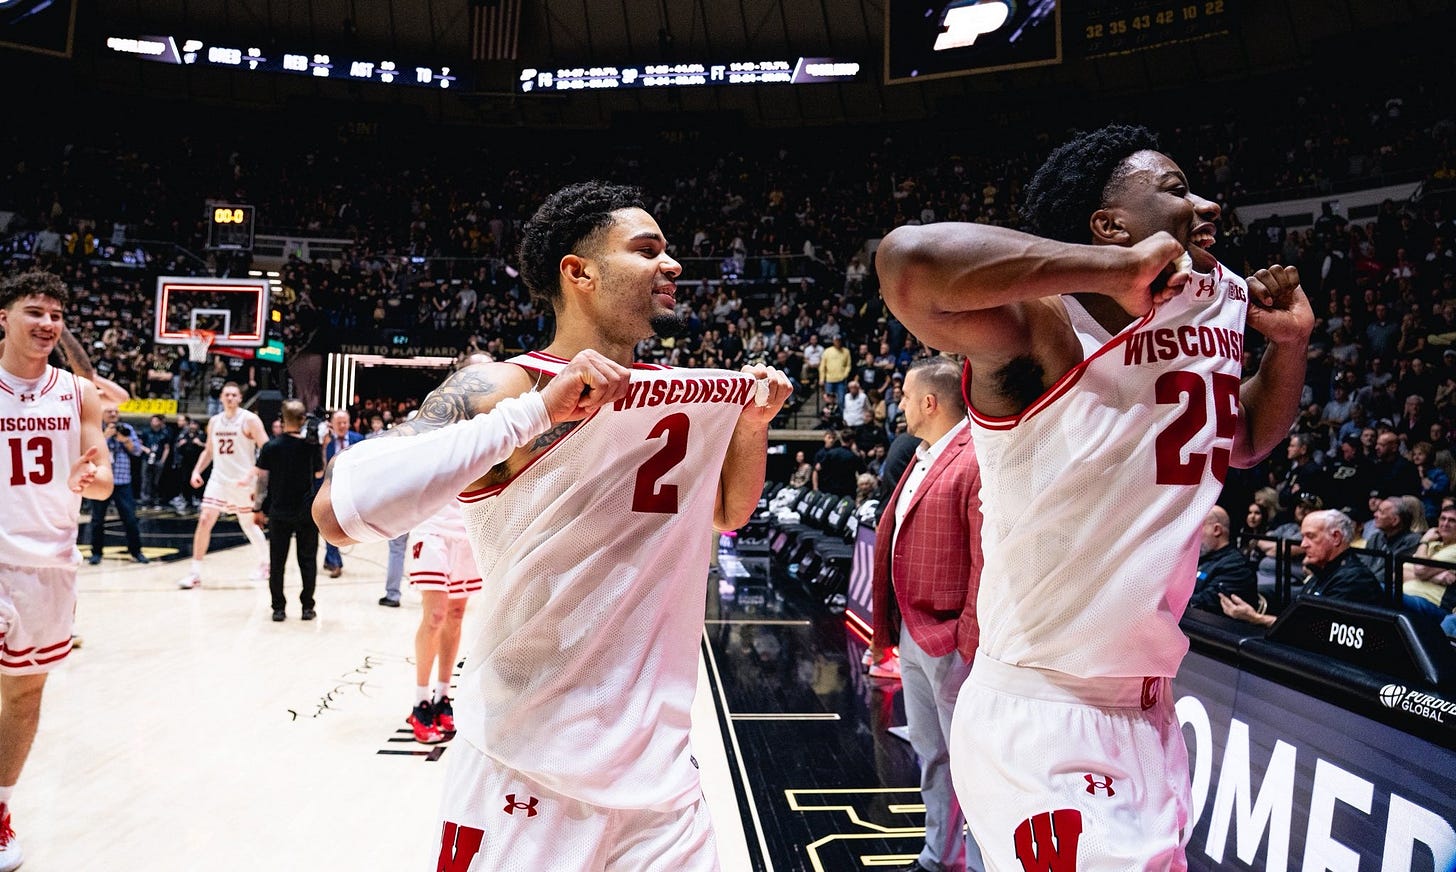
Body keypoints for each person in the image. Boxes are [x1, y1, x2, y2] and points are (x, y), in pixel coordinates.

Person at [312, 181, 791, 869]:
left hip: (663, 783)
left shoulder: (686, 391)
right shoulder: (506, 386)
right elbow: (336, 511)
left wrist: (751, 425)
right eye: (647, 250)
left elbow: (726, 512)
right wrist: (536, 413)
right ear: (580, 272)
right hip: (525, 766)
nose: (673, 265)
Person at [876, 124, 1311, 869]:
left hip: (1148, 709)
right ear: (1109, 225)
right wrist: (1111, 271)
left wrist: (1289, 348)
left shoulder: (1203, 316)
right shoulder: (1044, 329)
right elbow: (907, 263)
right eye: (1176, 191)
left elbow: (1242, 442)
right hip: (1048, 709)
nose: (1207, 205)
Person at [0, 269, 112, 872]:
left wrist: (92, 479)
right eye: (34, 312)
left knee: (23, 692)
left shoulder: (77, 393)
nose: (47, 324)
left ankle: (0, 811)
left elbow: (102, 482)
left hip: (48, 564)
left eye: (56, 315)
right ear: (4, 317)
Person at [867, 356, 983, 872]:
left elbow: (986, 557)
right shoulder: (920, 453)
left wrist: (967, 633)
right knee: (932, 754)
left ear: (930, 403)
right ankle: (940, 856)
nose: (901, 405)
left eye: (907, 397)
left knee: (974, 763)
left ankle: (983, 861)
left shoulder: (974, 455)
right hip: (913, 630)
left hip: (949, 636)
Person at [176, 382, 269, 589]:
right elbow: (209, 451)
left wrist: (252, 473)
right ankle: (195, 573)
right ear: (221, 398)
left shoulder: (250, 420)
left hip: (243, 482)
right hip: (218, 480)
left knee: (249, 525)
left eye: (234, 395)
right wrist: (196, 471)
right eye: (226, 394)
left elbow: (267, 449)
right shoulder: (214, 421)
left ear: (239, 398)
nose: (229, 398)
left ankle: (266, 563)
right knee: (205, 519)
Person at [1222, 510, 1386, 626]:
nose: (1303, 544)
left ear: (1336, 537)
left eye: (1311, 536)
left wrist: (1257, 618)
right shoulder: (1323, 572)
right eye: (1303, 537)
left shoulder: (1354, 579)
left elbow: (1313, 630)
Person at [403, 501, 480, 744]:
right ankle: (420, 702)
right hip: (430, 525)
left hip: (466, 525)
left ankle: (442, 697)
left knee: (456, 614)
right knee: (435, 616)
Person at [253, 400, 323, 621]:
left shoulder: (270, 447)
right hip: (306, 511)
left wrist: (257, 508)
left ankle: (278, 608)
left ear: (282, 420)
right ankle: (307, 607)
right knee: (308, 560)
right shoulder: (311, 446)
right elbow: (320, 474)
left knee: (278, 561)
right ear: (303, 420)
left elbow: (262, 482)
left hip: (279, 510)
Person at [85, 405, 149, 565]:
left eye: (115, 411)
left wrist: (125, 440)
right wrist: (105, 437)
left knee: (130, 519)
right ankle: (96, 553)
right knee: (97, 520)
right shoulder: (95, 429)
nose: (113, 414)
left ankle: (136, 552)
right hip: (100, 480)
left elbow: (137, 452)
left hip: (122, 481)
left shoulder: (126, 428)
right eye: (109, 411)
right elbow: (89, 452)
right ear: (101, 413)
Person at [363, 412, 407, 607]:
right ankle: (432, 591)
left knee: (397, 550)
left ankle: (393, 594)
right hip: (427, 505)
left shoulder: (389, 451)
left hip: (401, 505)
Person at [1189, 506, 1257, 614]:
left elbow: (1205, 603)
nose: (1193, 535)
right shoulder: (1202, 558)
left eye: (1198, 528)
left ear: (1216, 530)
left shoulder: (1236, 566)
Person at [320, 410, 362, 579]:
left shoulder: (358, 440)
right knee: (330, 524)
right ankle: (335, 563)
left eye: (345, 422)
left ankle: (329, 559)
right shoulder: (325, 442)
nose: (342, 426)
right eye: (339, 423)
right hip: (329, 489)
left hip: (351, 489)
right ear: (332, 424)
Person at [1402, 504, 1456, 635]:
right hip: (1407, 595)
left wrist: (1424, 541)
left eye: (1452, 520)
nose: (1445, 523)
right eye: (1442, 518)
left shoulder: (1453, 549)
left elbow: (1420, 569)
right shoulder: (1432, 545)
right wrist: (1434, 577)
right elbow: (1397, 573)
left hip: (1431, 603)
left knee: (1376, 589)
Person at [1360, 496, 1423, 579]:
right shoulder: (1375, 538)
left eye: (1381, 512)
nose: (1375, 515)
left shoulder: (1413, 540)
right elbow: (1363, 564)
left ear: (1395, 520)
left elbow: (1390, 570)